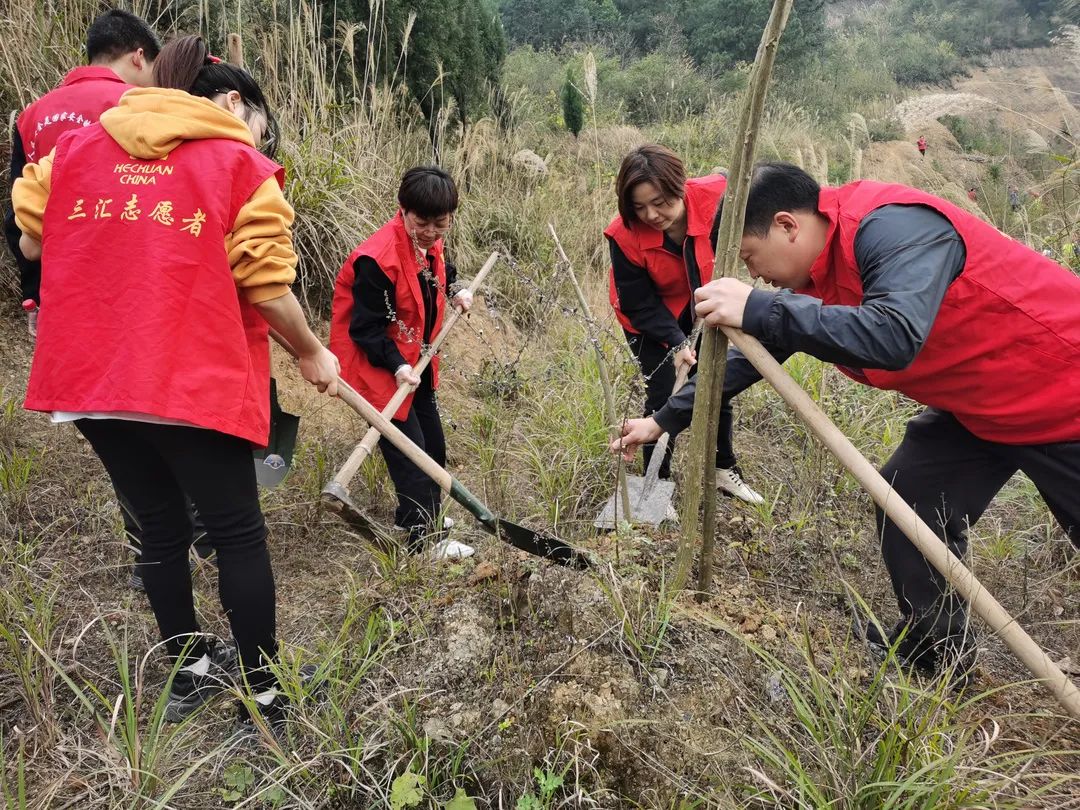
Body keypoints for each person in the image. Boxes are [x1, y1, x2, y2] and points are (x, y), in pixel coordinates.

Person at [614, 162, 1080, 676]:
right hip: (980, 404)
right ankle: (939, 653)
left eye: (750, 256)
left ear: (787, 226)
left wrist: (760, 307)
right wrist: (661, 420)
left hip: (1062, 393)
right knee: (908, 501)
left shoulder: (893, 228)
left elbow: (894, 335)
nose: (756, 276)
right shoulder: (814, 273)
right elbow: (756, 353)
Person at [12, 35, 339, 732]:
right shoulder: (237, 165)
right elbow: (268, 286)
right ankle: (267, 690)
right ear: (230, 102)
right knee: (237, 531)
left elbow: (32, 240)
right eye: (262, 119)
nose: (261, 135)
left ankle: (189, 673)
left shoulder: (71, 152)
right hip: (188, 382)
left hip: (93, 383)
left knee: (159, 529)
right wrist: (312, 351)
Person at [330, 167, 475, 560]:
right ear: (403, 210)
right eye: (421, 222)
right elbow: (365, 329)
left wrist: (457, 291)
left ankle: (417, 515)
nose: (430, 232)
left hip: (417, 364)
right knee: (408, 450)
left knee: (433, 446)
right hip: (379, 366)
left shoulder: (429, 244)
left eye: (440, 224)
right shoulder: (376, 260)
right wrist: (396, 365)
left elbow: (442, 275)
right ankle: (424, 541)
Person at [606, 144, 762, 504]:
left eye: (660, 202)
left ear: (679, 186)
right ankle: (654, 487)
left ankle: (723, 469)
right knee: (663, 392)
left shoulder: (716, 195)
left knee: (716, 379)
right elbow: (638, 303)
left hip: (702, 304)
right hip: (647, 319)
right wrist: (677, 343)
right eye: (640, 207)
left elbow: (744, 187)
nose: (651, 214)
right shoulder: (624, 234)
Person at [5, 9, 160, 334]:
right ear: (139, 57)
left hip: (56, 286)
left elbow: (18, 214)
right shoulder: (141, 106)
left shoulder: (33, 114)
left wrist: (33, 294)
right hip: (123, 288)